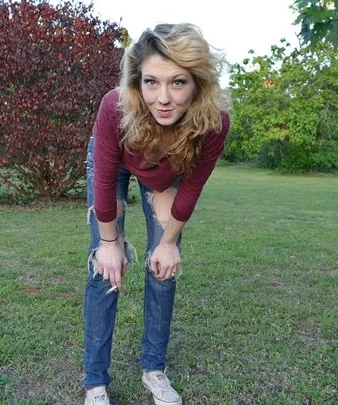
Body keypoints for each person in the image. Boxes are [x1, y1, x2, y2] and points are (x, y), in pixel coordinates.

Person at [83, 23, 230, 405]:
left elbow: (191, 189)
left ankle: (154, 369)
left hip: (165, 172)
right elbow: (103, 182)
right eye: (151, 82)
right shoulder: (115, 107)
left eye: (178, 82)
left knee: (163, 268)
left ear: (197, 83)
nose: (163, 98)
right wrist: (110, 243)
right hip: (115, 161)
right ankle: (96, 383)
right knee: (105, 267)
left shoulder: (212, 123)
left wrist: (168, 244)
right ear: (138, 83)